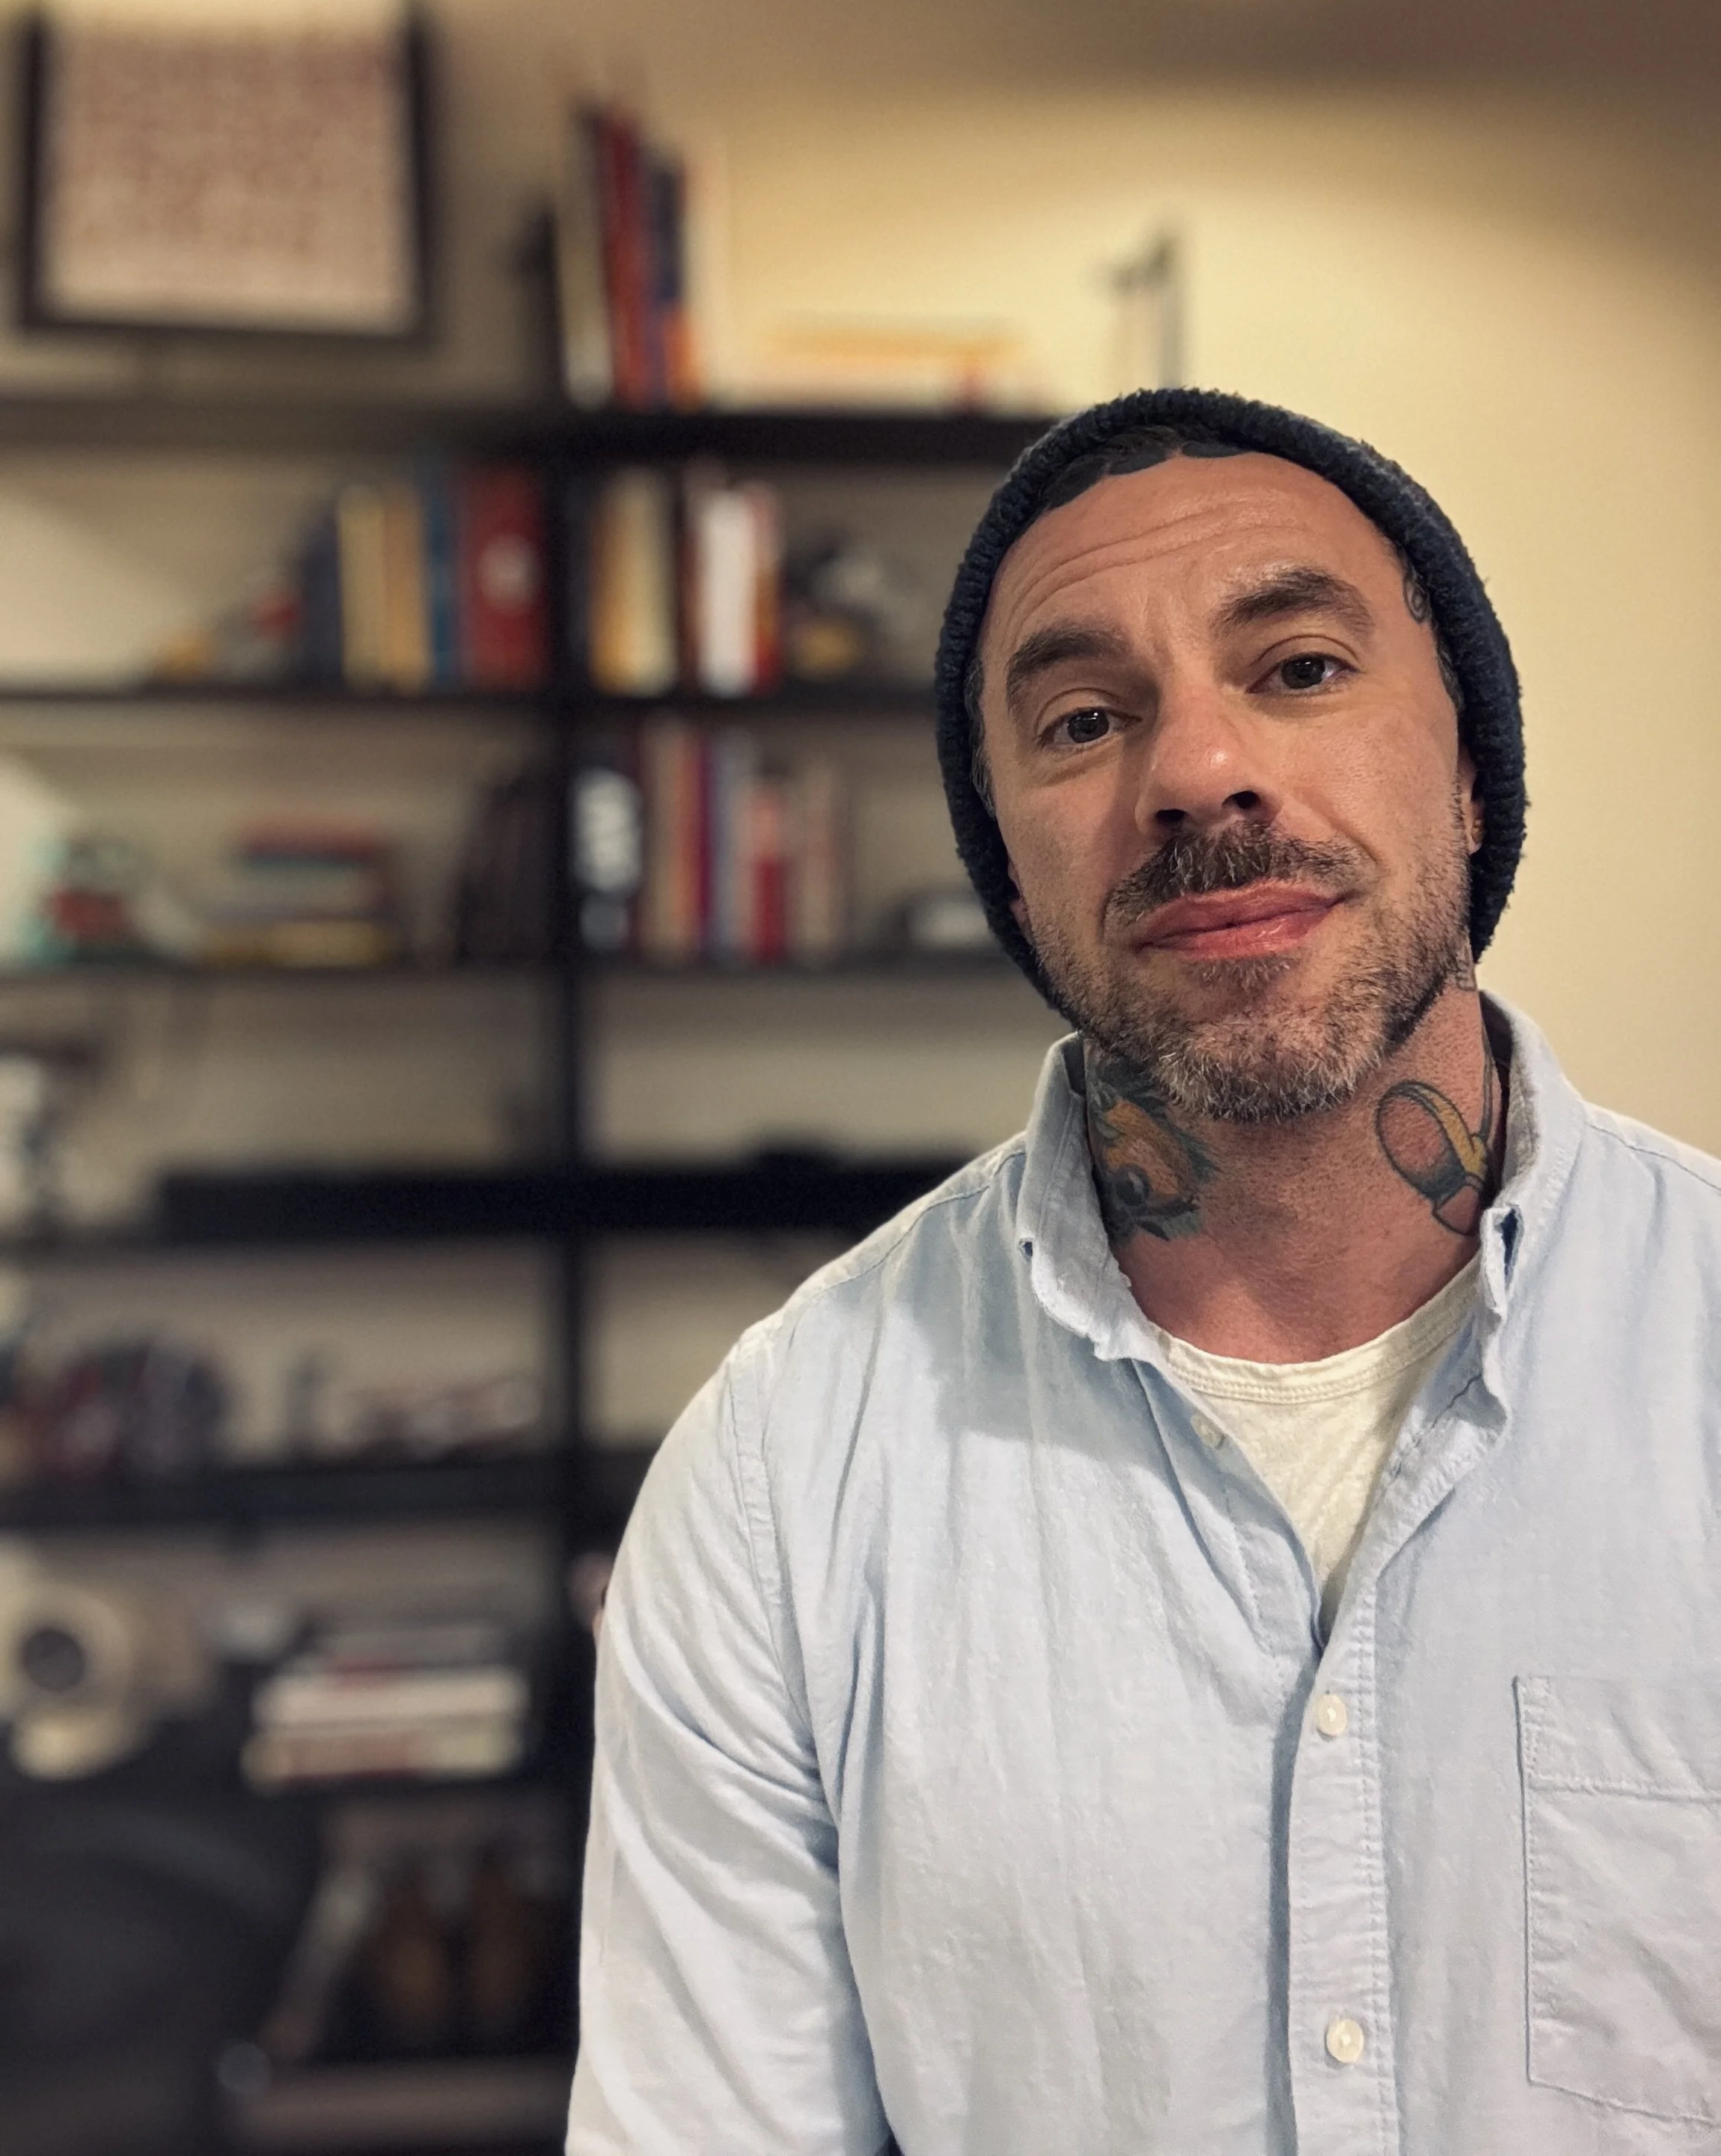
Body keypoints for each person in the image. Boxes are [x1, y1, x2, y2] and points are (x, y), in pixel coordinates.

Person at [568, 390, 1721, 2155]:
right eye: (1085, 718)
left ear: (1474, 770)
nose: (1196, 771)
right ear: (1010, 876)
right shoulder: (780, 1485)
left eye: (1303, 669)